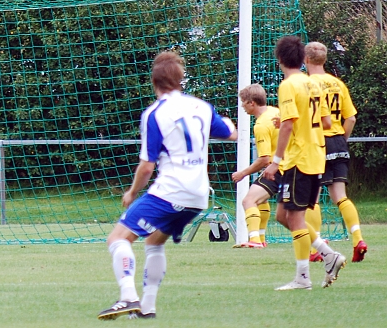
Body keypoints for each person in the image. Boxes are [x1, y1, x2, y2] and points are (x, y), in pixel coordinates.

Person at [98, 51, 237, 320]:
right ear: (180, 80)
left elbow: (147, 166)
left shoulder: (154, 114)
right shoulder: (202, 107)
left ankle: (127, 297)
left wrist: (132, 192)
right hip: (198, 196)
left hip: (171, 190)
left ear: (154, 82)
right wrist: (231, 124)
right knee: (154, 241)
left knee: (117, 238)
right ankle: (147, 308)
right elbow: (230, 133)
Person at [262, 36, 345, 290]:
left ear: (279, 60)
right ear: (302, 59)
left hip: (299, 159)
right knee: (282, 215)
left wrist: (275, 161)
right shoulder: (312, 84)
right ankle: (327, 254)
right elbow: (328, 123)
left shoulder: (289, 85)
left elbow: (288, 124)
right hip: (316, 155)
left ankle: (303, 278)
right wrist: (292, 123)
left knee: (295, 218)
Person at [304, 41, 366, 262]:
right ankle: (358, 239)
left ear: (306, 60)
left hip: (317, 143)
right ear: (325, 59)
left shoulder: (307, 83)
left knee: (313, 197)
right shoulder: (338, 84)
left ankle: (315, 250)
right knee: (340, 196)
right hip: (339, 142)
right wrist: (342, 139)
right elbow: (351, 117)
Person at [231, 84, 280, 248]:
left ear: (252, 103)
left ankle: (254, 240)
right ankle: (260, 238)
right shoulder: (275, 112)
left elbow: (264, 159)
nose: (242, 106)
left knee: (249, 200)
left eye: (243, 102)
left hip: (278, 168)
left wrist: (242, 173)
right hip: (294, 164)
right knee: (261, 200)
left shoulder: (261, 125)